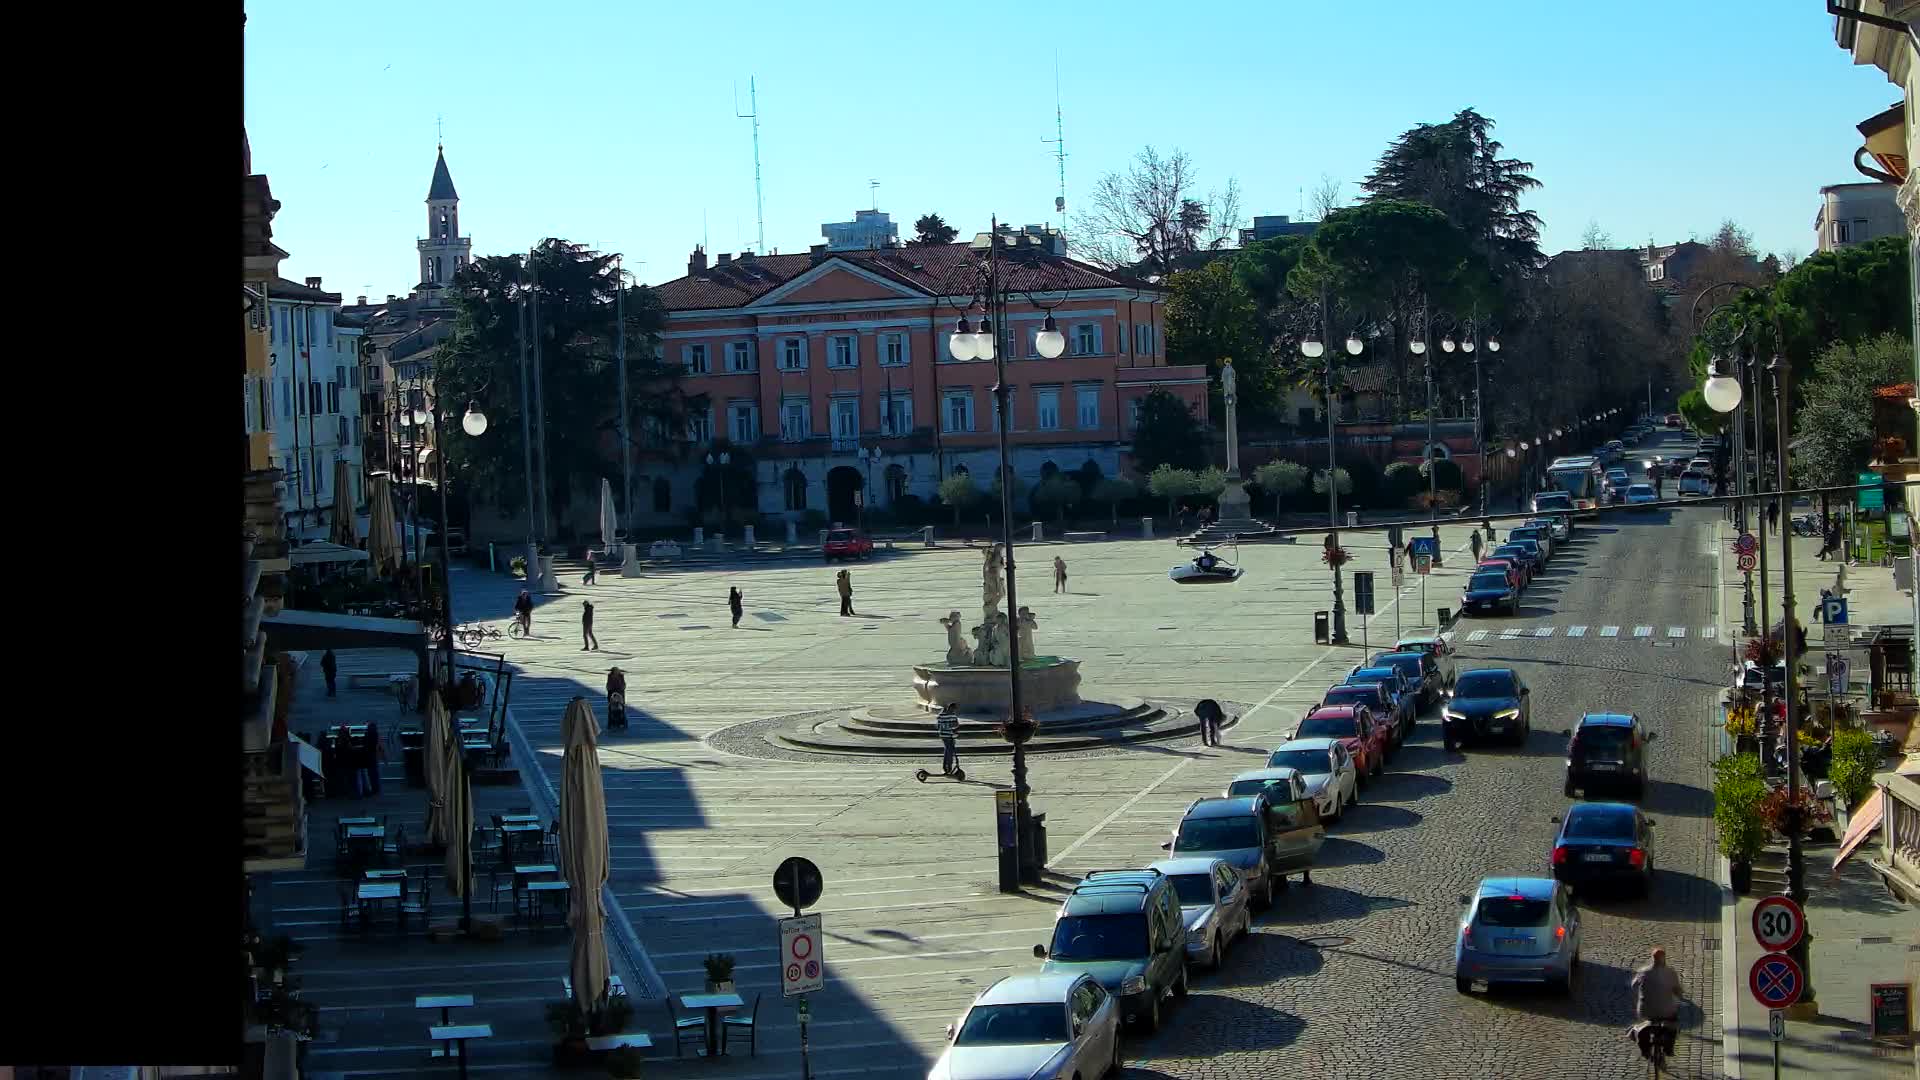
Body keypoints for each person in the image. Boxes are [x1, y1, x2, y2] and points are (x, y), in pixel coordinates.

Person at [1629, 948, 1683, 1060]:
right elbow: (1677, 991)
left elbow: (1633, 986)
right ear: (1664, 959)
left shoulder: (1643, 972)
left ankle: (1645, 1050)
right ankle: (1669, 1048)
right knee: (1674, 1023)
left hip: (1646, 1011)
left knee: (1645, 1023)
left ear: (1652, 958)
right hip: (1666, 1011)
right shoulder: (1671, 973)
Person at [364, 720, 384, 795]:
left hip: (369, 756)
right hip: (374, 755)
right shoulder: (375, 735)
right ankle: (376, 788)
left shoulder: (368, 735)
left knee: (371, 773)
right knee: (374, 773)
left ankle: (374, 788)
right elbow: (380, 746)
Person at [606, 667, 627, 731]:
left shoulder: (612, 676)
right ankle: (620, 722)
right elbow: (623, 686)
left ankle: (616, 722)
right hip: (617, 694)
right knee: (619, 708)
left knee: (614, 709)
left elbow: (608, 687)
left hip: (615, 694)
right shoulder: (618, 676)